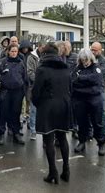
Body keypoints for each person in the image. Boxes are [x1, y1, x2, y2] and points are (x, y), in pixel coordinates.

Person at [32, 42, 71, 184]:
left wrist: (38, 104)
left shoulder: (42, 69)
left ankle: (53, 172)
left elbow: (36, 92)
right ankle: (66, 170)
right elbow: (70, 88)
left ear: (44, 54)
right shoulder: (66, 68)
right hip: (64, 105)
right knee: (62, 138)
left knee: (48, 140)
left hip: (48, 105)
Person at [71, 48, 104, 155]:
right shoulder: (77, 68)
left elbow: (96, 80)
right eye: (83, 60)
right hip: (80, 100)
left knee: (97, 123)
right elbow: (73, 81)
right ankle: (82, 141)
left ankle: (101, 143)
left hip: (94, 100)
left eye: (86, 60)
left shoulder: (96, 67)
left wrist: (81, 79)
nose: (85, 62)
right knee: (82, 122)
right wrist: (86, 81)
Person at [0, 43, 27, 145]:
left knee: (16, 112)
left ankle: (16, 133)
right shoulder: (2, 62)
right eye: (12, 51)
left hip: (17, 91)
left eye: (15, 51)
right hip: (5, 91)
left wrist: (23, 90)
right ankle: (1, 134)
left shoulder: (21, 63)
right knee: (3, 112)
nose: (14, 53)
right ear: (8, 52)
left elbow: (24, 77)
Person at [90, 41, 105, 156]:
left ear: (100, 50)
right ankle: (90, 133)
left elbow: (98, 75)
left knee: (101, 112)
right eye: (92, 49)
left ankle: (104, 134)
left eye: (95, 50)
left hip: (99, 90)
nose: (93, 51)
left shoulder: (104, 61)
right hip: (90, 91)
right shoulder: (90, 60)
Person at [26, 41, 45, 140]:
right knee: (33, 110)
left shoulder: (46, 57)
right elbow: (30, 72)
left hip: (45, 87)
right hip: (34, 86)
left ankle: (44, 130)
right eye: (43, 48)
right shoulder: (31, 57)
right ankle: (33, 130)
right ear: (39, 47)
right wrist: (39, 81)